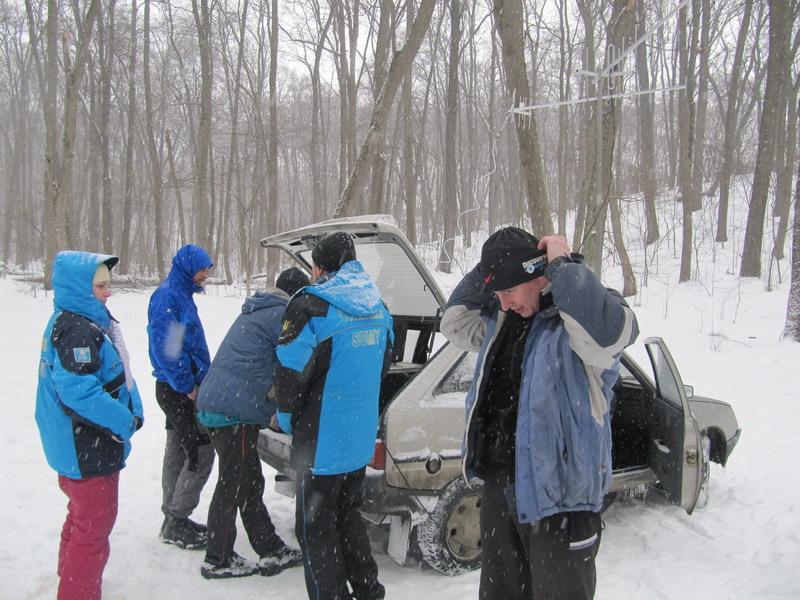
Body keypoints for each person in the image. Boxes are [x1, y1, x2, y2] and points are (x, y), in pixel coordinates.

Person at [441, 227, 639, 600]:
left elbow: (612, 334)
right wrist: (492, 269)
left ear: (539, 273)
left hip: (561, 500)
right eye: (496, 294)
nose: (503, 303)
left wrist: (563, 266)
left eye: (510, 291)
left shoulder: (575, 328)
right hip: (502, 489)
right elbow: (453, 321)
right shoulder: (500, 323)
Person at [274, 232, 393, 600]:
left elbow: (289, 373)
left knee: (315, 529)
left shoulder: (312, 305)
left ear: (320, 267)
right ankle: (369, 591)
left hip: (321, 442)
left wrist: (286, 418)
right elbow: (384, 365)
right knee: (348, 515)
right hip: (357, 439)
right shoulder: (379, 306)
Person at [35, 251, 144, 600]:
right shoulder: (77, 330)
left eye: (108, 284)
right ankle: (77, 591)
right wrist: (123, 421)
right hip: (86, 446)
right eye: (100, 286)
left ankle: (69, 576)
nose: (108, 291)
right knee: (93, 527)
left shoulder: (75, 320)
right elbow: (79, 393)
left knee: (80, 517)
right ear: (80, 288)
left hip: (74, 444)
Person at [195, 267, 309, 579]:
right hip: (234, 412)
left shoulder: (260, 309)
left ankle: (270, 549)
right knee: (233, 485)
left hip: (218, 403)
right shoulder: (281, 317)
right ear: (297, 295)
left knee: (247, 481)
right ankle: (217, 559)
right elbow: (298, 359)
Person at [147, 244, 215, 550]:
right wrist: (187, 386)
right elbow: (169, 349)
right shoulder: (169, 297)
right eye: (203, 270)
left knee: (178, 447)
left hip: (177, 386)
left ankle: (172, 515)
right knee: (200, 451)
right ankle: (177, 518)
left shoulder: (180, 293)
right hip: (178, 389)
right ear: (189, 268)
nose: (206, 276)